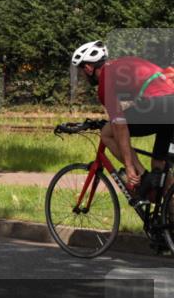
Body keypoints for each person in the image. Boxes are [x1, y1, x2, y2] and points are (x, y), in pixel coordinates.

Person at [72, 40, 174, 194]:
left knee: (108, 132)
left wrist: (129, 166)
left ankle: (140, 174)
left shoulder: (105, 80)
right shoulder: (125, 63)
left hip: (160, 103)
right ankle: (168, 212)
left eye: (81, 72)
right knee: (159, 163)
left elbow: (120, 126)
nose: (83, 76)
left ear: (88, 68)